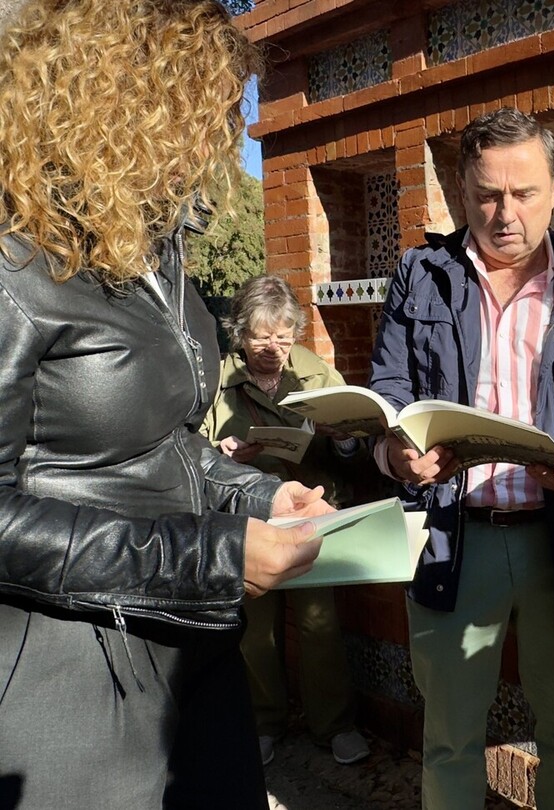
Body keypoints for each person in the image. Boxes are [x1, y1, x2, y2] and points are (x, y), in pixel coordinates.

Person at [0, 3, 332, 809]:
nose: (223, 140)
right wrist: (208, 559)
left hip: (189, 647)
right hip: (66, 678)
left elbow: (169, 440)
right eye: (205, 111)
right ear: (122, 101)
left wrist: (257, 495)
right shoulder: (15, 257)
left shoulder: (154, 251)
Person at [369, 107, 554, 810]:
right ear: (463, 189)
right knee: (451, 734)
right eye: (488, 193)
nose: (505, 212)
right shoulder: (420, 275)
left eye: (523, 194)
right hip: (454, 537)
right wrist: (400, 451)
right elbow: (390, 386)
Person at [201, 275, 371, 767]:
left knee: (321, 624)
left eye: (283, 336)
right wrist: (225, 452)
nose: (273, 348)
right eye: (261, 337)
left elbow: (355, 449)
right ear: (240, 333)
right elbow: (192, 449)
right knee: (256, 629)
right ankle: (264, 722)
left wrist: (343, 439)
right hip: (247, 521)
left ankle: (335, 725)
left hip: (309, 513)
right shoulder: (217, 378)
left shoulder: (316, 372)